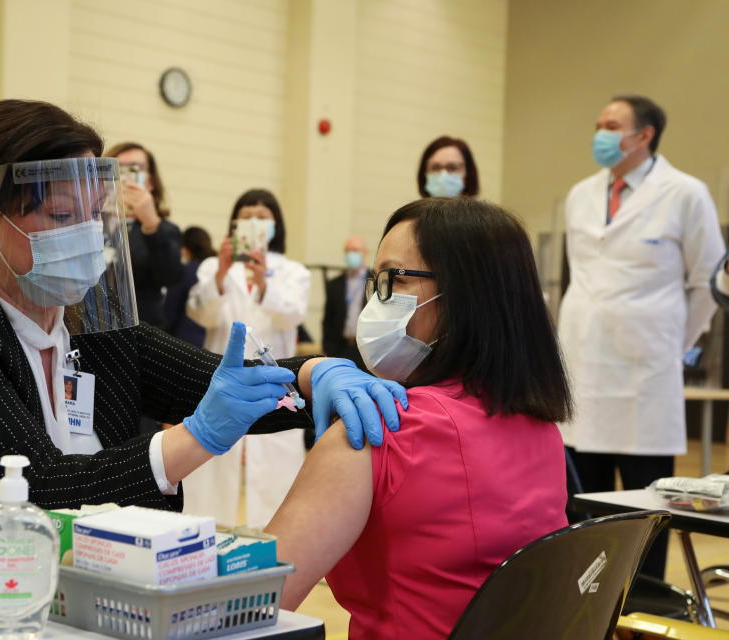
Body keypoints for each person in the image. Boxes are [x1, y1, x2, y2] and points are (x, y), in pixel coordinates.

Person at [0, 100, 406, 550]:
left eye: (94, 216)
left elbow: (220, 382)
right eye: (61, 216)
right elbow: (38, 493)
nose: (88, 236)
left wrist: (313, 377)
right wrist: (195, 438)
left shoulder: (89, 323)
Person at [266, 198, 571, 640]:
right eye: (376, 281)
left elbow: (248, 606)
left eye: (395, 279)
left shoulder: (377, 429)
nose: (376, 302)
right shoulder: (543, 430)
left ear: (465, 295)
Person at [559, 95, 725, 579]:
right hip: (583, 371)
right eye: (598, 124)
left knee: (645, 508)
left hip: (644, 379)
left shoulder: (685, 193)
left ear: (645, 135)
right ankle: (584, 604)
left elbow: (707, 284)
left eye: (611, 125)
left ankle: (643, 606)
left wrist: (666, 343)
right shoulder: (580, 194)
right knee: (582, 505)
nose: (601, 134)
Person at [185, 188, 311, 527]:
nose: (254, 221)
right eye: (247, 214)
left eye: (262, 216)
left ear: (276, 225)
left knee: (272, 475)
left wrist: (265, 284)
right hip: (221, 380)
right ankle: (205, 542)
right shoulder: (213, 266)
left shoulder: (293, 271)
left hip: (274, 384)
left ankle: (273, 546)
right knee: (211, 470)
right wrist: (222, 275)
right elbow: (201, 314)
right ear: (234, 223)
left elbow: (293, 314)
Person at [103, 142, 183, 330]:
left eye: (134, 169)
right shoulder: (92, 223)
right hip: (93, 326)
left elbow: (171, 276)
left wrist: (151, 223)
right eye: (116, 170)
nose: (123, 177)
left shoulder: (163, 229)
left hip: (143, 330)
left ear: (150, 182)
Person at [321, 236, 369, 370]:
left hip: (366, 350)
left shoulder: (376, 281)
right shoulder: (335, 284)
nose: (351, 254)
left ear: (365, 253)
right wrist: (328, 349)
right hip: (341, 349)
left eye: (355, 250)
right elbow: (327, 319)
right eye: (348, 251)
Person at [163, 226, 215, 347]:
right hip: (212, 339)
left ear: (185, 248)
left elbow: (170, 310)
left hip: (185, 339)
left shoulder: (184, 272)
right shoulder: (216, 271)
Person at [416, 135, 480, 198]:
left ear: (468, 173)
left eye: (452, 168)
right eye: (436, 168)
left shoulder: (481, 209)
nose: (443, 175)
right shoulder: (411, 208)